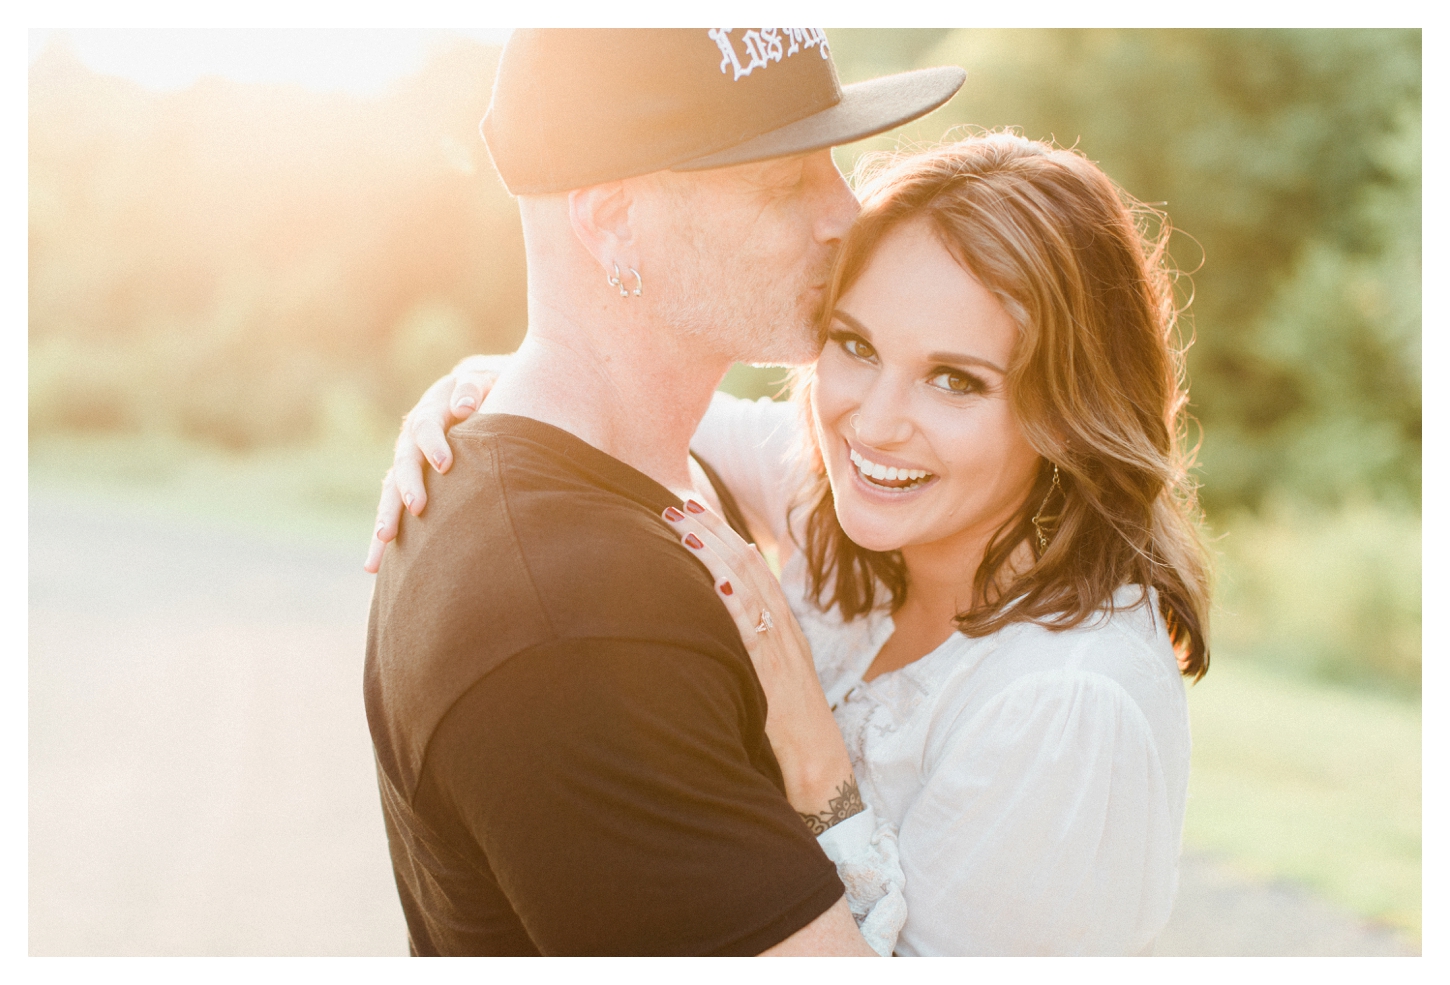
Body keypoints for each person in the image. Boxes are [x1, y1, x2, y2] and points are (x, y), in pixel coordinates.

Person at [376, 132, 1212, 955]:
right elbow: (625, 399)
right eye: (855, 345)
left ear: (1068, 411)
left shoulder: (1063, 704)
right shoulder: (834, 491)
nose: (875, 423)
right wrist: (476, 394)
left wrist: (821, 776)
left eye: (955, 380)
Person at [363, 28, 965, 956]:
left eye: (834, 166)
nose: (847, 214)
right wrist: (825, 779)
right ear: (611, 222)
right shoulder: (575, 614)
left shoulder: (670, 476)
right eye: (783, 182)